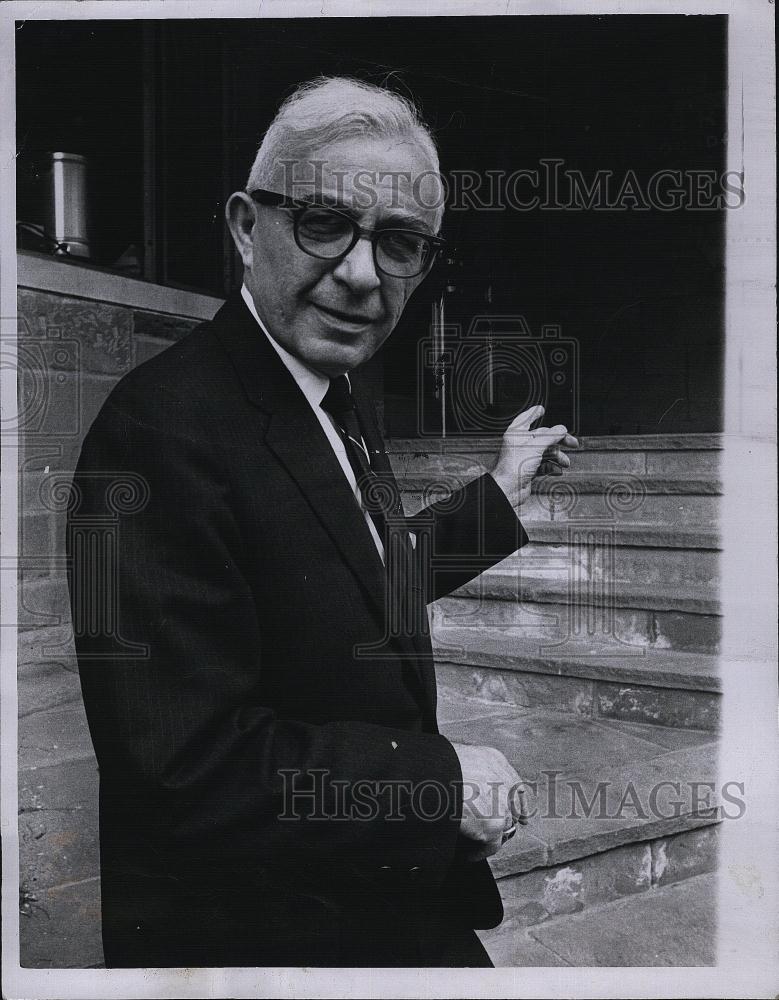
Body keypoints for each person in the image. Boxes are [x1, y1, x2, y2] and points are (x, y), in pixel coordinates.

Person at [67, 76, 577, 968]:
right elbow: (178, 766)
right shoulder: (153, 431)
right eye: (322, 222)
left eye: (398, 242)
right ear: (242, 225)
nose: (358, 272)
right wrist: (437, 787)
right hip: (261, 937)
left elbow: (351, 575)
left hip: (366, 894)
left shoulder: (328, 390)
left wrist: (496, 492)